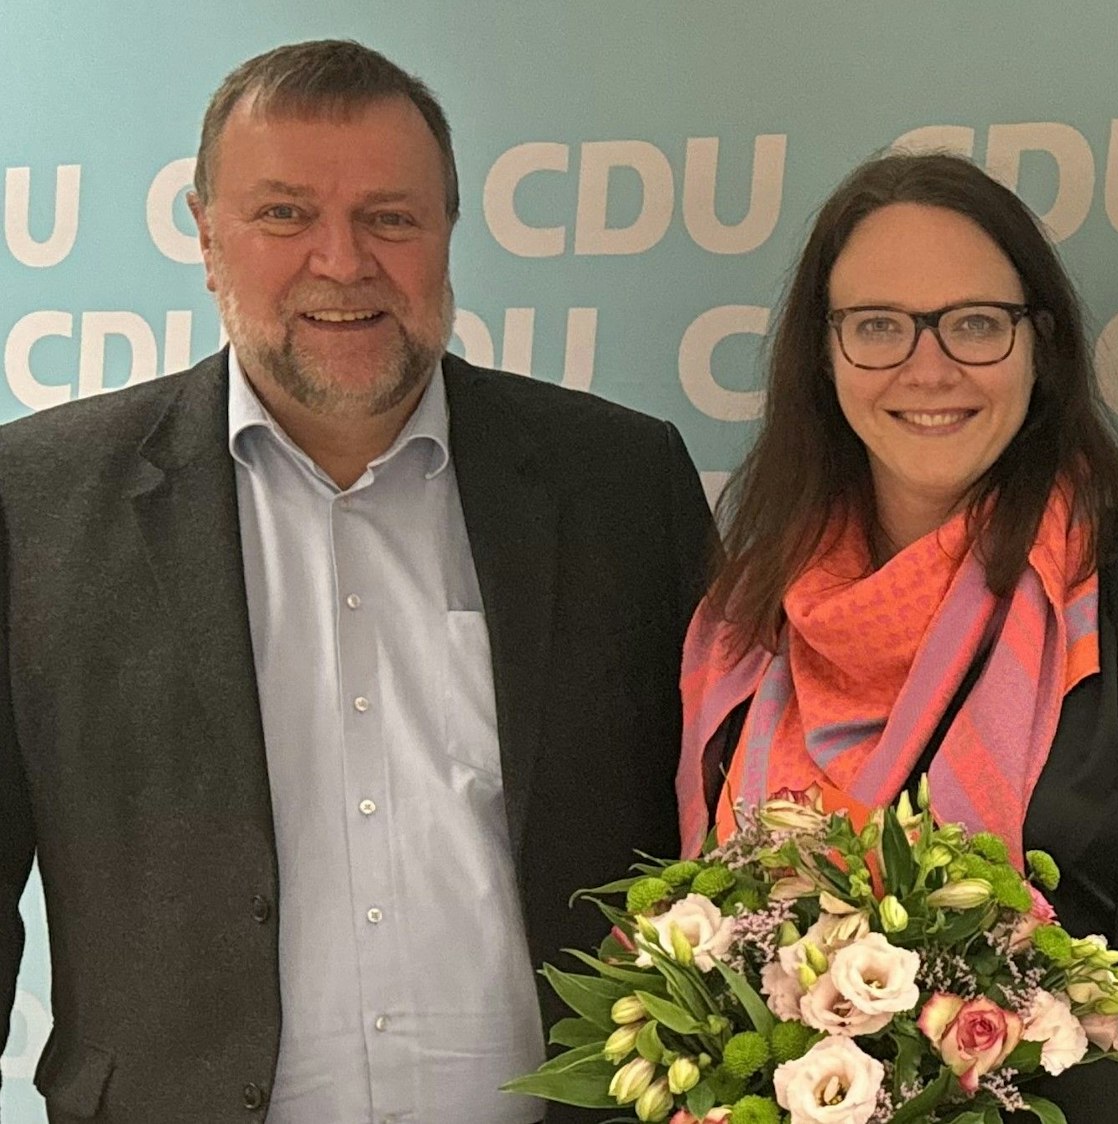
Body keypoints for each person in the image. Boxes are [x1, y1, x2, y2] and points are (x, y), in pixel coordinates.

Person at [0, 40, 715, 1124]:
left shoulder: (622, 482)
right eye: (284, 214)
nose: (342, 261)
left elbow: (720, 836)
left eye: (390, 216)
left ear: (446, 232)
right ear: (204, 233)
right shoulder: (35, 502)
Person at [673, 152, 1118, 1122]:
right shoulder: (744, 624)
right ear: (822, 353)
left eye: (975, 324)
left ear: (1039, 347)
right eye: (877, 326)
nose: (929, 367)